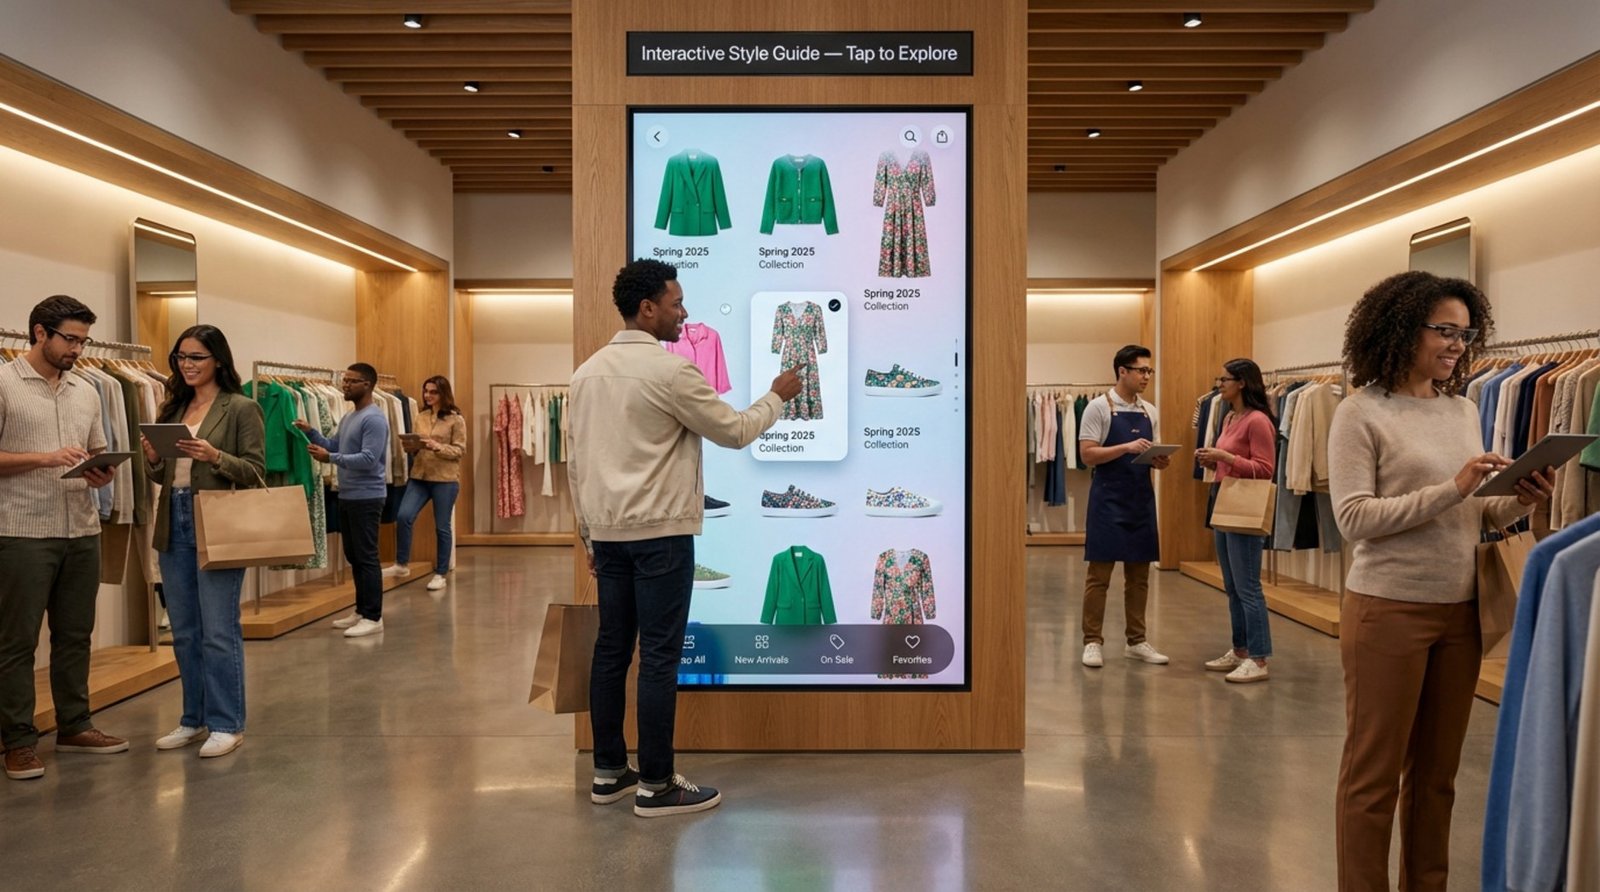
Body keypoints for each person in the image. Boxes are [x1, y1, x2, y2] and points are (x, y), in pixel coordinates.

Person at [1328, 271, 1554, 891]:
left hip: (1462, 611)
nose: (1457, 345)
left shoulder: (1463, 409)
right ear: (1402, 330)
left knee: (1437, 779)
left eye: (1465, 332)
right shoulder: (1359, 412)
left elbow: (1473, 512)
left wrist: (1519, 501)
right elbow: (1354, 519)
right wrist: (1451, 487)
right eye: (1445, 331)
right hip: (1387, 609)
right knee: (1371, 778)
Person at [569, 259, 803, 817]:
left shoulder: (585, 374)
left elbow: (575, 463)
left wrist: (589, 539)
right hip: (662, 536)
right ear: (647, 308)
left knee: (610, 651)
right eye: (676, 303)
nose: (684, 312)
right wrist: (778, 396)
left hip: (608, 533)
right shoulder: (671, 372)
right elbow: (736, 430)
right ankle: (655, 785)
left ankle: (608, 773)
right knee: (658, 658)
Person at [0, 295, 128, 781]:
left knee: (75, 635)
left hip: (81, 529)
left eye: (83, 340)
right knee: (17, 641)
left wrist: (102, 472)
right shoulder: (4, 384)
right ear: (39, 333)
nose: (77, 349)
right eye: (70, 339)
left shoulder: (86, 391)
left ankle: (75, 724)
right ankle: (18, 741)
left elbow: (96, 449)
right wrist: (42, 458)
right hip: (21, 530)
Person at [139, 325, 265, 758]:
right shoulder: (172, 408)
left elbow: (255, 471)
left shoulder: (241, 407)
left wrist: (215, 456)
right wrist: (154, 460)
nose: (187, 365)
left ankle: (227, 723)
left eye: (196, 357)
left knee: (218, 629)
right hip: (173, 519)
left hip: (216, 519)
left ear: (218, 361)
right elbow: (163, 475)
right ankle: (193, 718)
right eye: (181, 357)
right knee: (185, 631)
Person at [1078, 344, 1172, 669]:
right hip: (1107, 499)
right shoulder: (1097, 408)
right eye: (1141, 370)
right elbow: (1087, 454)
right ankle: (1092, 641)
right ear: (1122, 371)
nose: (1147, 376)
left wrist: (1159, 461)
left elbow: (1154, 458)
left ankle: (1137, 641)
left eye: (1149, 370)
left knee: (1139, 576)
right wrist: (1126, 447)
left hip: (1141, 500)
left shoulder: (1151, 411)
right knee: (1099, 576)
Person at [1195, 358, 1279, 684]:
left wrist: (1223, 457)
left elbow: (1265, 468)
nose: (1219, 384)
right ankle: (1240, 649)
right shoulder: (1230, 416)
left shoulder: (1257, 421)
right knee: (1231, 586)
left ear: (1242, 382)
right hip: (1224, 498)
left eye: (1225, 379)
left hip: (1243, 503)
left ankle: (1259, 659)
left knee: (1248, 587)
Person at [298, 363, 390, 639]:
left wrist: (331, 459)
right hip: (348, 495)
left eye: (352, 381)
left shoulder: (373, 419)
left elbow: (368, 459)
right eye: (345, 380)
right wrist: (311, 432)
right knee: (355, 557)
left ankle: (374, 616)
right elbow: (335, 444)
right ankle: (362, 610)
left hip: (367, 496)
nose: (345, 385)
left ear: (367, 385)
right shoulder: (351, 416)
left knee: (367, 557)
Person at [385, 375, 465, 592]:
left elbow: (459, 450)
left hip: (444, 480)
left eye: (433, 392)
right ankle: (401, 564)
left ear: (443, 394)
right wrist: (412, 446)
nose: (428, 395)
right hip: (419, 476)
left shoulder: (455, 420)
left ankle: (440, 573)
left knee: (442, 527)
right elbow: (417, 445)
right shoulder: (419, 416)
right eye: (426, 391)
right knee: (404, 516)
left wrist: (437, 447)